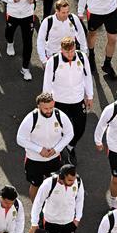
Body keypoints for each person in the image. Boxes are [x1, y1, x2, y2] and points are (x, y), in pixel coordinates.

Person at [43, 37, 93, 165]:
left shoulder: (81, 57)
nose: (70, 55)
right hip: (59, 101)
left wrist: (90, 96)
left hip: (78, 100)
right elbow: (47, 83)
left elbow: (87, 77)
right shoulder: (53, 62)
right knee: (57, 129)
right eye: (67, 52)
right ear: (61, 50)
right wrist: (47, 103)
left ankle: (70, 146)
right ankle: (58, 152)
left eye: (72, 51)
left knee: (80, 127)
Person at [16, 93, 74, 202]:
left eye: (51, 107)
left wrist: (56, 149)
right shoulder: (31, 118)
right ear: (38, 106)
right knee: (35, 185)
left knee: (54, 184)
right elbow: (20, 139)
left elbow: (69, 133)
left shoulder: (59, 116)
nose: (49, 111)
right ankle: (35, 209)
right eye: (45, 108)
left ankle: (49, 207)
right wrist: (39, 150)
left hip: (54, 158)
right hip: (34, 160)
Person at [0, 0, 43, 81]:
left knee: (28, 42)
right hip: (13, 14)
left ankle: (25, 68)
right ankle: (10, 43)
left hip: (28, 15)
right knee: (9, 32)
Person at [37, 0, 87, 66]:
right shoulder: (48, 22)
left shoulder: (73, 19)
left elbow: (81, 35)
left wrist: (84, 52)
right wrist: (44, 60)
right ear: (57, 10)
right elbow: (40, 41)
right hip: (53, 57)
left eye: (67, 12)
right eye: (63, 12)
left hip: (70, 56)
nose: (66, 15)